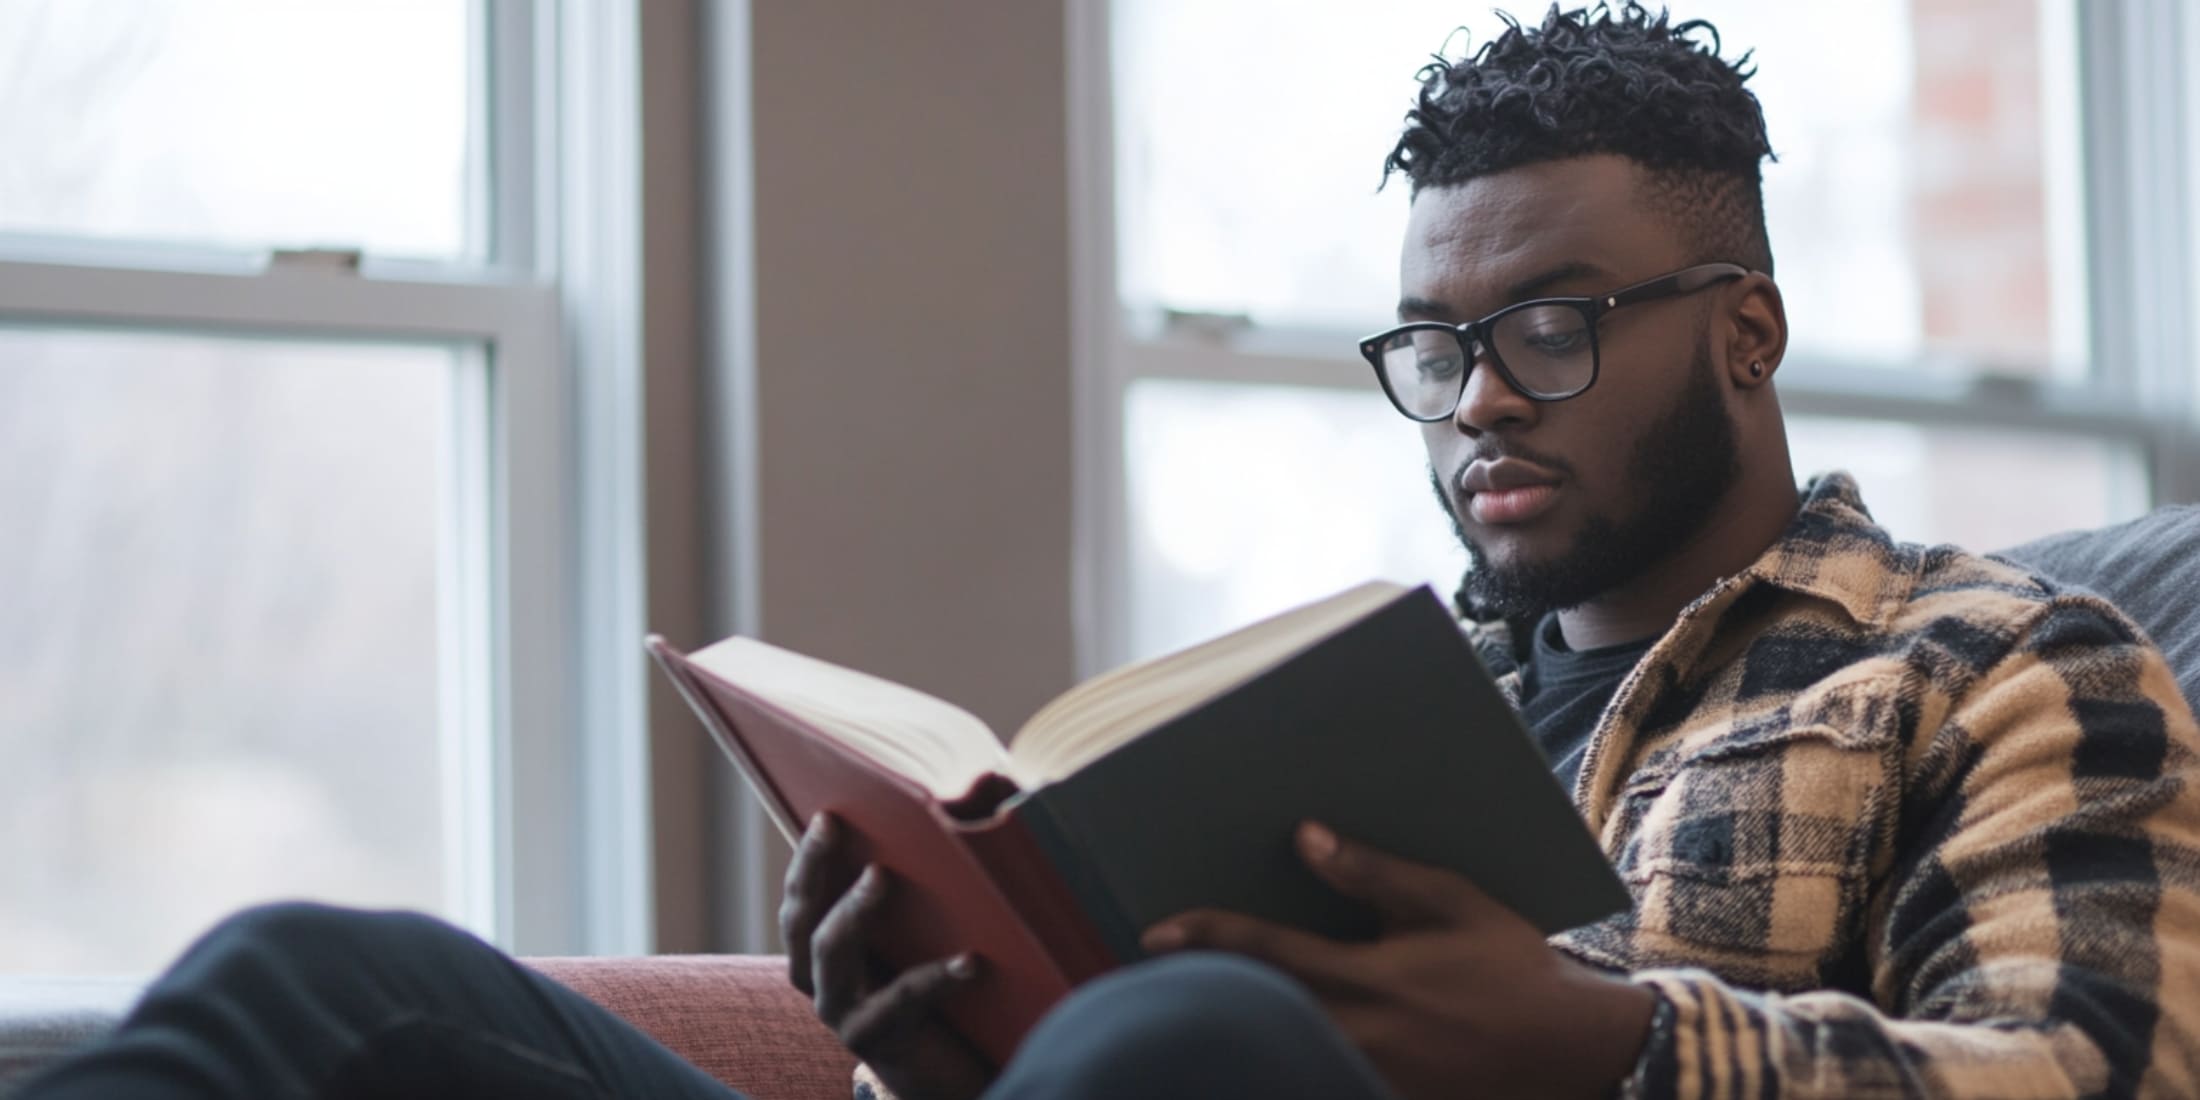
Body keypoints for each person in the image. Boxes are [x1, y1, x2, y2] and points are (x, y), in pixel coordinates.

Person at [24, 4, 2200, 1098]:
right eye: (1430, 345)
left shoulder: (1999, 662)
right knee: (320, 983)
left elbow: (2089, 1078)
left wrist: (1609, 1047)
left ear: (1743, 328)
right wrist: (935, 1018)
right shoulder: (1358, 705)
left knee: (1201, 1045)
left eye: (1547, 327)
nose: (1476, 402)